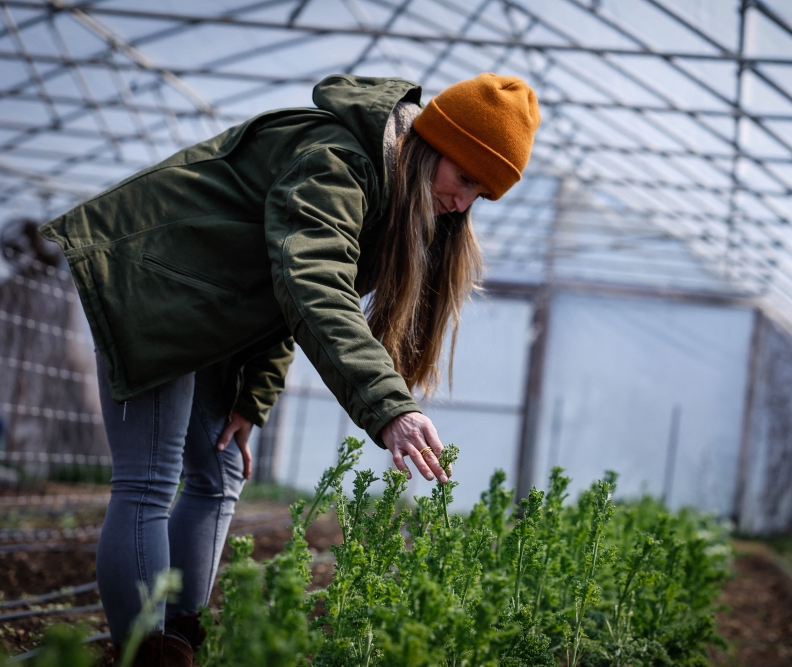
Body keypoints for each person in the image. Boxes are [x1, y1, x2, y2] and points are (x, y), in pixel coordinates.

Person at [39, 72, 540, 665]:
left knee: (220, 467)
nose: (462, 203)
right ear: (433, 143)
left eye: (480, 193)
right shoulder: (337, 163)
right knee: (150, 476)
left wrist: (252, 399)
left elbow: (274, 294)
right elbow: (311, 287)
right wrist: (390, 407)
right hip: (151, 285)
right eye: (463, 177)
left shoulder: (387, 192)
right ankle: (142, 652)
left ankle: (178, 639)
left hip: (205, 304)